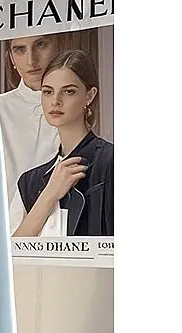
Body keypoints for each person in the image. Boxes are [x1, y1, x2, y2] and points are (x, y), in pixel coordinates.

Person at [12, 49, 114, 238]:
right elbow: (12, 250)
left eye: (68, 91)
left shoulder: (110, 163)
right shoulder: (30, 182)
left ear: (90, 95)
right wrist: (50, 194)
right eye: (48, 92)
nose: (55, 101)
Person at [0, 35, 62, 233]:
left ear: (57, 47)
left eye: (40, 45)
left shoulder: (79, 107)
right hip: (7, 235)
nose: (31, 60)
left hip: (64, 234)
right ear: (11, 58)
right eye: (20, 50)